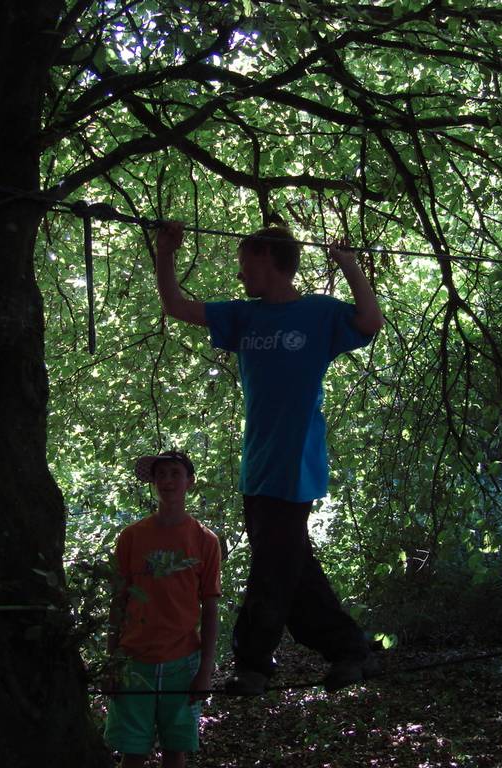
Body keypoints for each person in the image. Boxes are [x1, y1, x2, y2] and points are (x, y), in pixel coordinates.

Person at [154, 219, 384, 695]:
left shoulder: (319, 314)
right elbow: (175, 305)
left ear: (272, 263)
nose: (240, 276)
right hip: (257, 463)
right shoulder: (243, 315)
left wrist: (350, 266)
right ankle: (349, 649)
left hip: (296, 461)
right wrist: (166, 252)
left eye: (246, 265)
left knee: (272, 567)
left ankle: (254, 662)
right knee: (290, 563)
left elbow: (369, 322)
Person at [105, 449, 221, 768]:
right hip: (133, 661)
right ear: (154, 483)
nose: (167, 481)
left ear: (189, 482)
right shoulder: (131, 537)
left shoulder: (205, 540)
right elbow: (120, 600)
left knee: (175, 749)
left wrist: (205, 670)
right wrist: (111, 659)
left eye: (175, 474)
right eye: (161, 475)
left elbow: (210, 606)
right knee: (133, 751)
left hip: (182, 662)